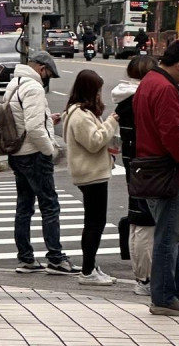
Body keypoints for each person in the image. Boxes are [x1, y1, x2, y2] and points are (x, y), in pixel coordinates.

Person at [134, 38, 179, 317]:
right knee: (168, 238)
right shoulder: (164, 88)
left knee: (170, 234)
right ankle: (163, 298)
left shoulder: (150, 81)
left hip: (151, 168)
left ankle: (177, 292)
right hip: (167, 172)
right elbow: (172, 135)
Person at [3, 51, 79, 275]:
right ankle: (55, 257)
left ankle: (26, 258)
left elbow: (21, 119)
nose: (47, 80)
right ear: (42, 69)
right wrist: (51, 150)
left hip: (17, 153)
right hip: (34, 154)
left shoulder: (13, 84)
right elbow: (34, 128)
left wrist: (48, 119)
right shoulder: (33, 88)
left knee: (24, 207)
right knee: (50, 206)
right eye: (48, 75)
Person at [62, 70, 120, 286]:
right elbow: (94, 142)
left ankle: (90, 267)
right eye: (97, 90)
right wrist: (111, 121)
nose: (99, 94)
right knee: (95, 223)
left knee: (94, 222)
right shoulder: (80, 114)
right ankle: (87, 271)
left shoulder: (81, 112)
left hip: (92, 172)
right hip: (91, 174)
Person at [112, 55, 158, 296]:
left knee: (138, 219)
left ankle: (142, 277)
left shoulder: (124, 98)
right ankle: (145, 278)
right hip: (145, 166)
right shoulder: (139, 98)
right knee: (144, 222)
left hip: (133, 163)